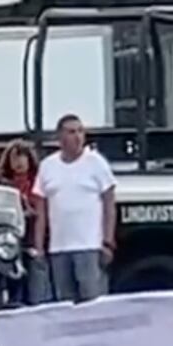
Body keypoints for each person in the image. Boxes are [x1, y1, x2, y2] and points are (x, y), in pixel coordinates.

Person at [35, 115, 117, 304]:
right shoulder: (48, 166)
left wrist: (108, 242)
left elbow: (109, 204)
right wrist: (39, 247)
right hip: (59, 248)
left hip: (90, 245)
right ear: (60, 136)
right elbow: (41, 209)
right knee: (65, 302)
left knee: (93, 301)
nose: (78, 136)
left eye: (81, 131)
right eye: (72, 132)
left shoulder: (96, 163)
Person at [0, 140, 46, 304]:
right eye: (14, 158)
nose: (18, 162)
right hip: (10, 243)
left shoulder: (38, 182)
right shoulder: (3, 185)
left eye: (22, 157)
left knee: (37, 285)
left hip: (34, 239)